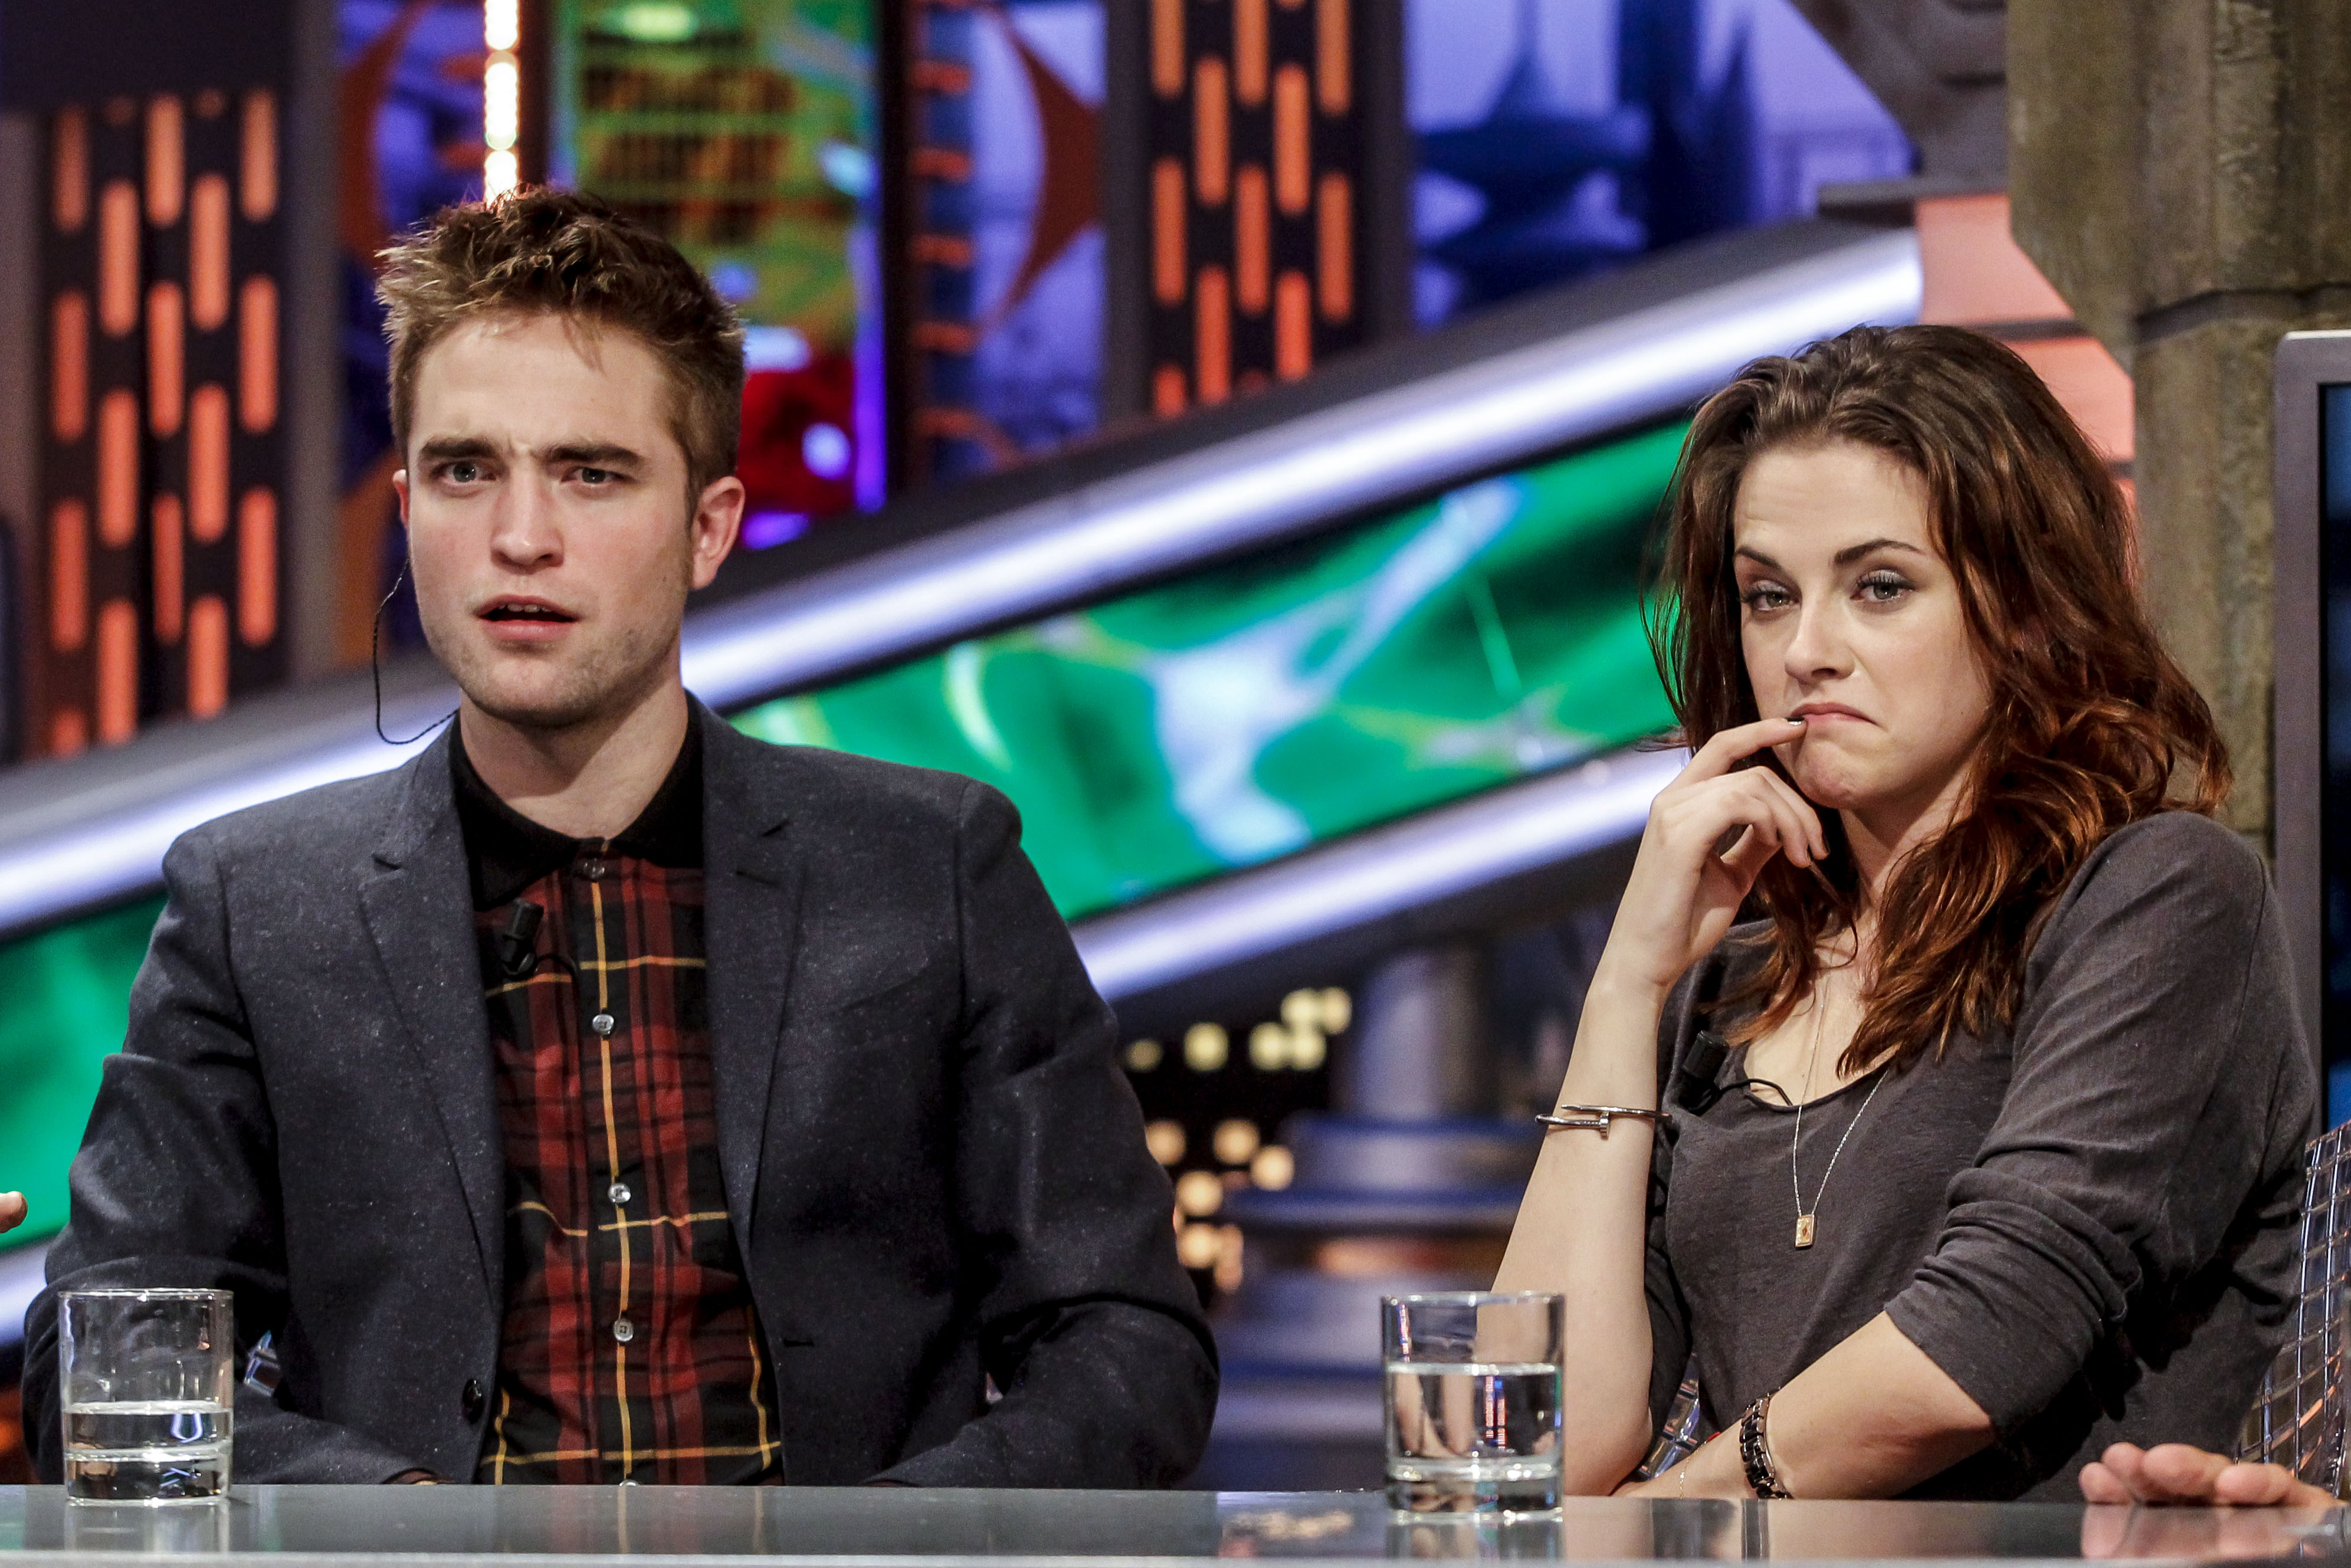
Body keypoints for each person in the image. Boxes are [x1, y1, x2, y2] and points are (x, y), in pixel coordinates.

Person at [23, 189, 1217, 1487]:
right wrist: (406, 1527)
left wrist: (879, 1547)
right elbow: (103, 1363)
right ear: (408, 506)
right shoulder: (256, 904)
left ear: (708, 527)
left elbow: (1126, 1343)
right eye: (464, 471)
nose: (519, 537)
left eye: (590, 473)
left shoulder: (931, 868)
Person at [1493, 323, 2314, 1500]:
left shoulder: (2160, 895)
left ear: (2021, 604)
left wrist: (1662, 1532)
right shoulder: (1726, 985)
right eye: (1767, 596)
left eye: (1878, 587)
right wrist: (1628, 983)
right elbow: (1543, 1441)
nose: (1805, 650)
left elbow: (1981, 1340)